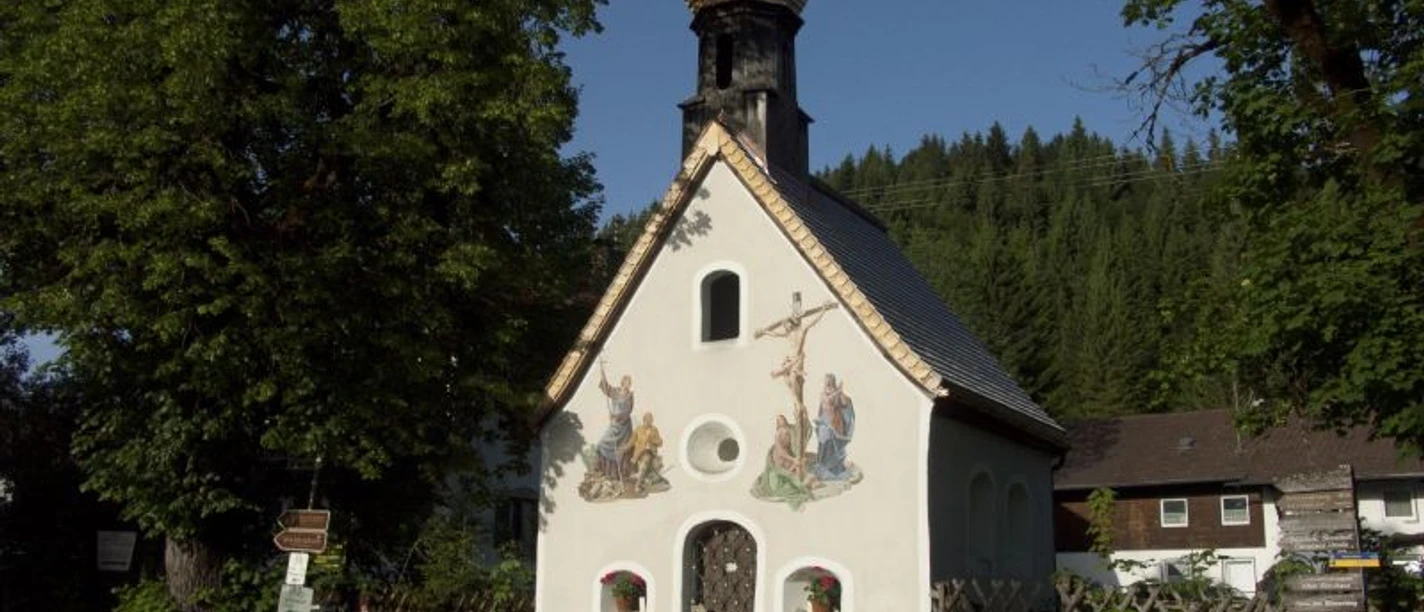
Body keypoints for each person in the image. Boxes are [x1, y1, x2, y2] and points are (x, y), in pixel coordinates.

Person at [812, 374, 855, 481]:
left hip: (836, 422)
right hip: (825, 421)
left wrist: (841, 394)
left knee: (834, 444)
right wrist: (838, 392)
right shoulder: (824, 393)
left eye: (828, 381)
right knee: (824, 443)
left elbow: (845, 404)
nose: (826, 383)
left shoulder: (838, 393)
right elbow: (826, 401)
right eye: (825, 381)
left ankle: (834, 468)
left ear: (832, 381)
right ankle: (823, 465)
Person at [596, 363, 635, 479]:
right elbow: (606, 388)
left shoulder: (630, 395)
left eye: (630, 382)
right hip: (615, 425)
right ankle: (604, 470)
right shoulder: (615, 392)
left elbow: (629, 410)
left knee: (621, 450)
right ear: (622, 382)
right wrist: (602, 373)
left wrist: (617, 416)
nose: (628, 384)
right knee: (603, 443)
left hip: (625, 426)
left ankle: (618, 473)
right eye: (627, 381)